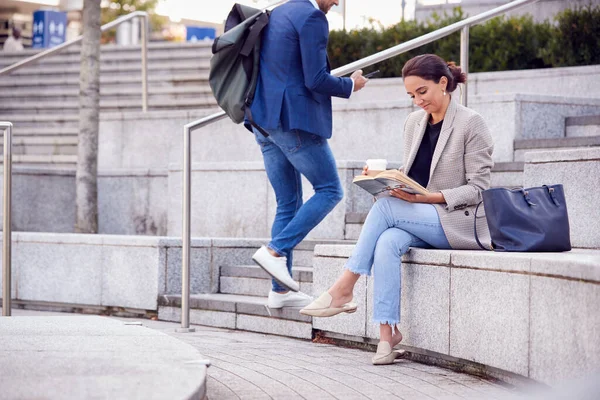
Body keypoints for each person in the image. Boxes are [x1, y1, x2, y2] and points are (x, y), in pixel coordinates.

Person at [300, 54, 494, 365]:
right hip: (420, 217)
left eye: (422, 92)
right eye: (411, 95)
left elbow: (479, 188)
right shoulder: (413, 123)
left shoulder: (471, 123)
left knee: (386, 210)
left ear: (443, 83)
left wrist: (428, 199)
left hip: (456, 222)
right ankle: (387, 337)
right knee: (387, 241)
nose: (417, 101)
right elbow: (410, 172)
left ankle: (344, 288)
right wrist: (381, 178)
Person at [248, 0, 368, 309]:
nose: (338, 2)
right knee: (329, 190)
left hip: (264, 121)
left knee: (288, 203)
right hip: (293, 121)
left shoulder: (280, 12)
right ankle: (275, 251)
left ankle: (280, 292)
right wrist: (351, 85)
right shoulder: (312, 17)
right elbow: (315, 79)